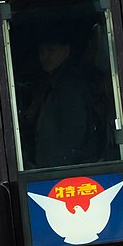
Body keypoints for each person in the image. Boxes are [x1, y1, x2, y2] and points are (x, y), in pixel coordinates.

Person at [25, 26, 103, 169]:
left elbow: (76, 130)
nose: (45, 56)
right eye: (41, 52)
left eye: (51, 50)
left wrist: (62, 166)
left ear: (66, 50)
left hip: (68, 170)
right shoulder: (52, 83)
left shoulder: (69, 85)